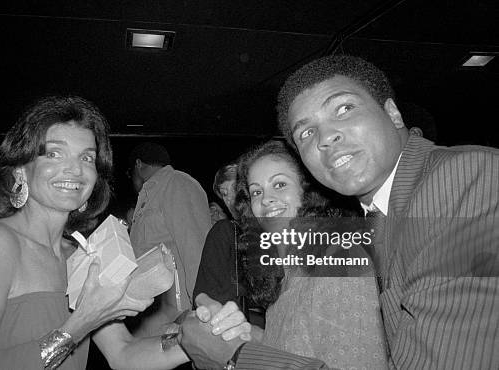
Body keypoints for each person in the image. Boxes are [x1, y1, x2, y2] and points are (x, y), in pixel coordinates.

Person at [182, 55, 499, 369]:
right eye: (306, 133)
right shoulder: (377, 221)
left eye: (344, 108)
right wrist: (245, 336)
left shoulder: (463, 179)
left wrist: (236, 357)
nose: (325, 138)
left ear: (393, 113)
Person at [0, 96, 202, 369]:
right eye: (54, 153)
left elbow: (124, 353)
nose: (76, 169)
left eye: (87, 157)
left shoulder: (82, 255)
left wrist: (198, 339)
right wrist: (80, 324)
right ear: (20, 168)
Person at [234, 140, 387, 368]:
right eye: (256, 192)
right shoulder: (285, 275)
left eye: (279, 185)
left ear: (307, 191)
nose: (265, 199)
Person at [127, 142, 212, 337]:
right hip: (149, 311)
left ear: (138, 165)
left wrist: (198, 311)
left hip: (177, 315)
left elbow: (195, 250)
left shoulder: (177, 184)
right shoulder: (148, 195)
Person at [193, 163, 246, 307]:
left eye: (235, 189)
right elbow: (206, 293)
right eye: (224, 193)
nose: (230, 198)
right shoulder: (225, 231)